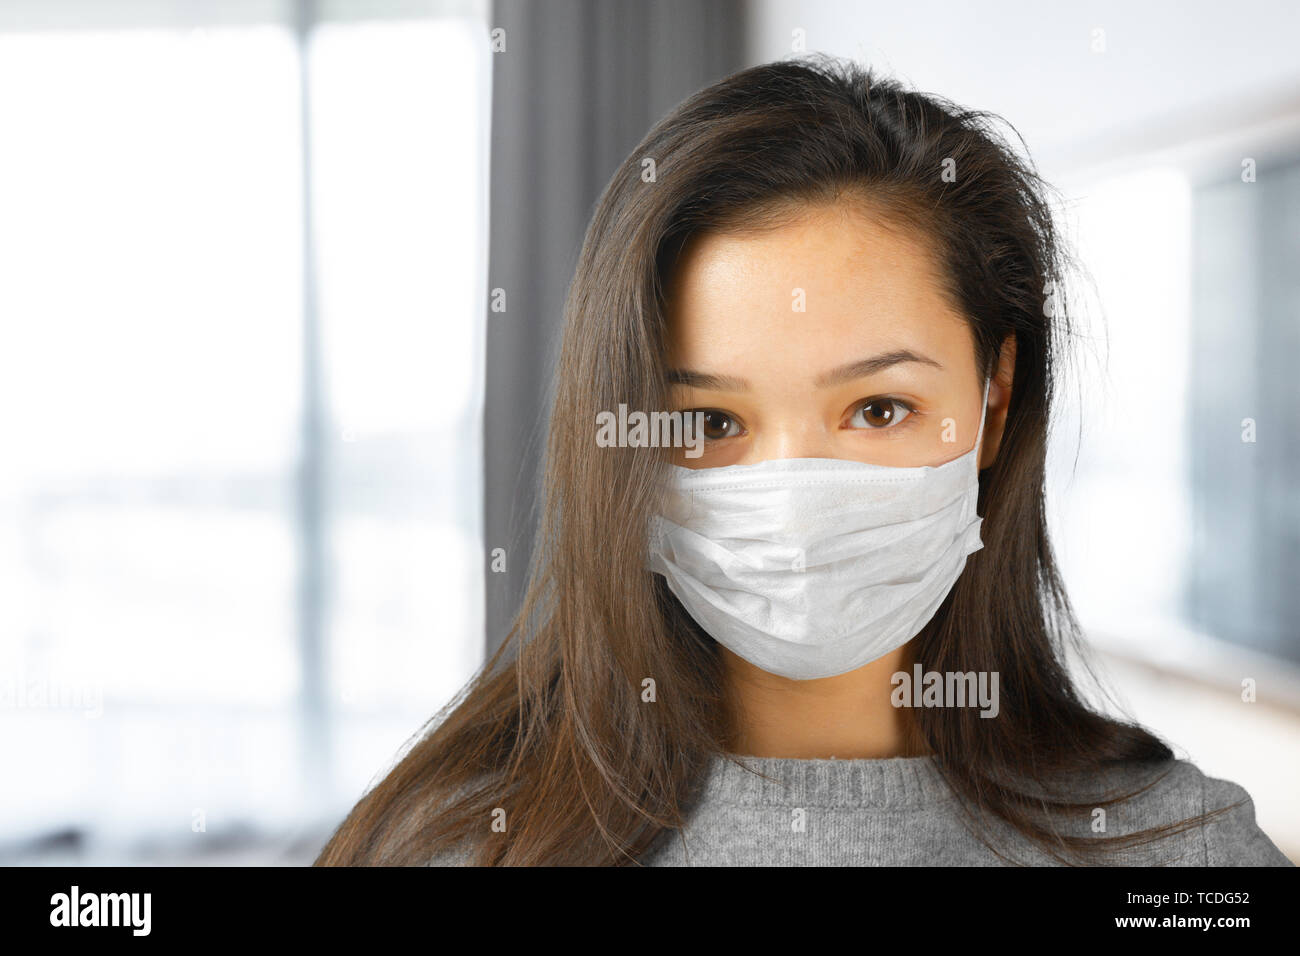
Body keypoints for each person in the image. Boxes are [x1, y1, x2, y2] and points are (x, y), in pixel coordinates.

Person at [315, 54, 1293, 866]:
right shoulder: (450, 845)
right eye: (706, 424)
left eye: (877, 407)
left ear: (991, 402)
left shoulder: (1180, 855)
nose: (792, 501)